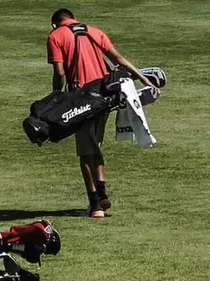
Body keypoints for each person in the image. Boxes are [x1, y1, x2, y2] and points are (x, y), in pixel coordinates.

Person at [47, 8, 158, 218]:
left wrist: (55, 97)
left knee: (84, 153)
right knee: (94, 146)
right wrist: (144, 79)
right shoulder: (94, 31)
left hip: (81, 99)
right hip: (105, 96)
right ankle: (102, 194)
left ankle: (95, 204)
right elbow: (119, 59)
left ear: (54, 24)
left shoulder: (56, 36)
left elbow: (60, 72)